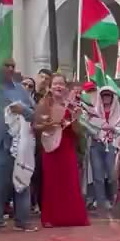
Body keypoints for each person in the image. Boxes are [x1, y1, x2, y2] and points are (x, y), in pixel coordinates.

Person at [0, 58, 37, 232]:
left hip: (19, 144)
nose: (10, 69)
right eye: (7, 66)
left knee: (22, 180)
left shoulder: (20, 89)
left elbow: (35, 114)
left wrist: (23, 110)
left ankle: (23, 220)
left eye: (13, 66)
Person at [34, 74, 90, 228]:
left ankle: (72, 217)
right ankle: (51, 218)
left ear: (66, 87)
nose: (59, 86)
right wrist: (50, 125)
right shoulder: (44, 103)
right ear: (50, 87)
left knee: (70, 182)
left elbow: (78, 131)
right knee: (52, 183)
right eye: (55, 84)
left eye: (61, 84)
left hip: (67, 147)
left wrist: (74, 119)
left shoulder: (71, 105)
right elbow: (36, 126)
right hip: (51, 148)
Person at [82, 84, 120, 217]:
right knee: (98, 176)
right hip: (97, 144)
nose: (106, 97)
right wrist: (100, 127)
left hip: (112, 145)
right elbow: (89, 126)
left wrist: (112, 129)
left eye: (108, 95)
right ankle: (101, 205)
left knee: (113, 176)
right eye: (103, 95)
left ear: (113, 97)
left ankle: (115, 202)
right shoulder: (93, 111)